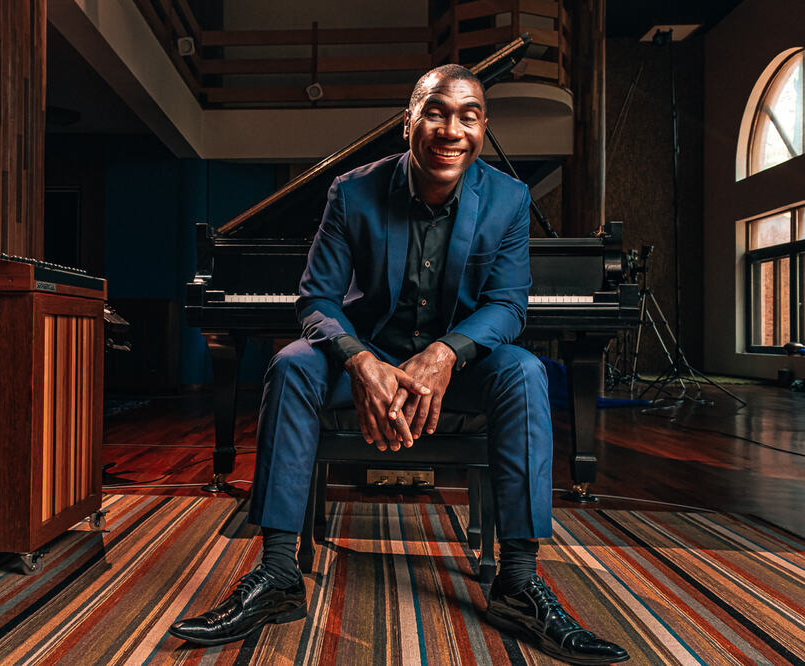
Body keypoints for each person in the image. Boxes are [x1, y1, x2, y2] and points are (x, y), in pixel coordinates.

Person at [170, 64, 630, 665]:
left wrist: (445, 353)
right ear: (408, 122)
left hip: (460, 368)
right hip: (368, 357)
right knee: (291, 365)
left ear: (483, 128)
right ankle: (279, 573)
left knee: (525, 372)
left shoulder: (509, 199)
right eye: (436, 112)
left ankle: (518, 583)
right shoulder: (351, 192)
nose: (452, 130)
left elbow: (508, 305)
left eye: (468, 117)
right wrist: (360, 361)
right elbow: (316, 299)